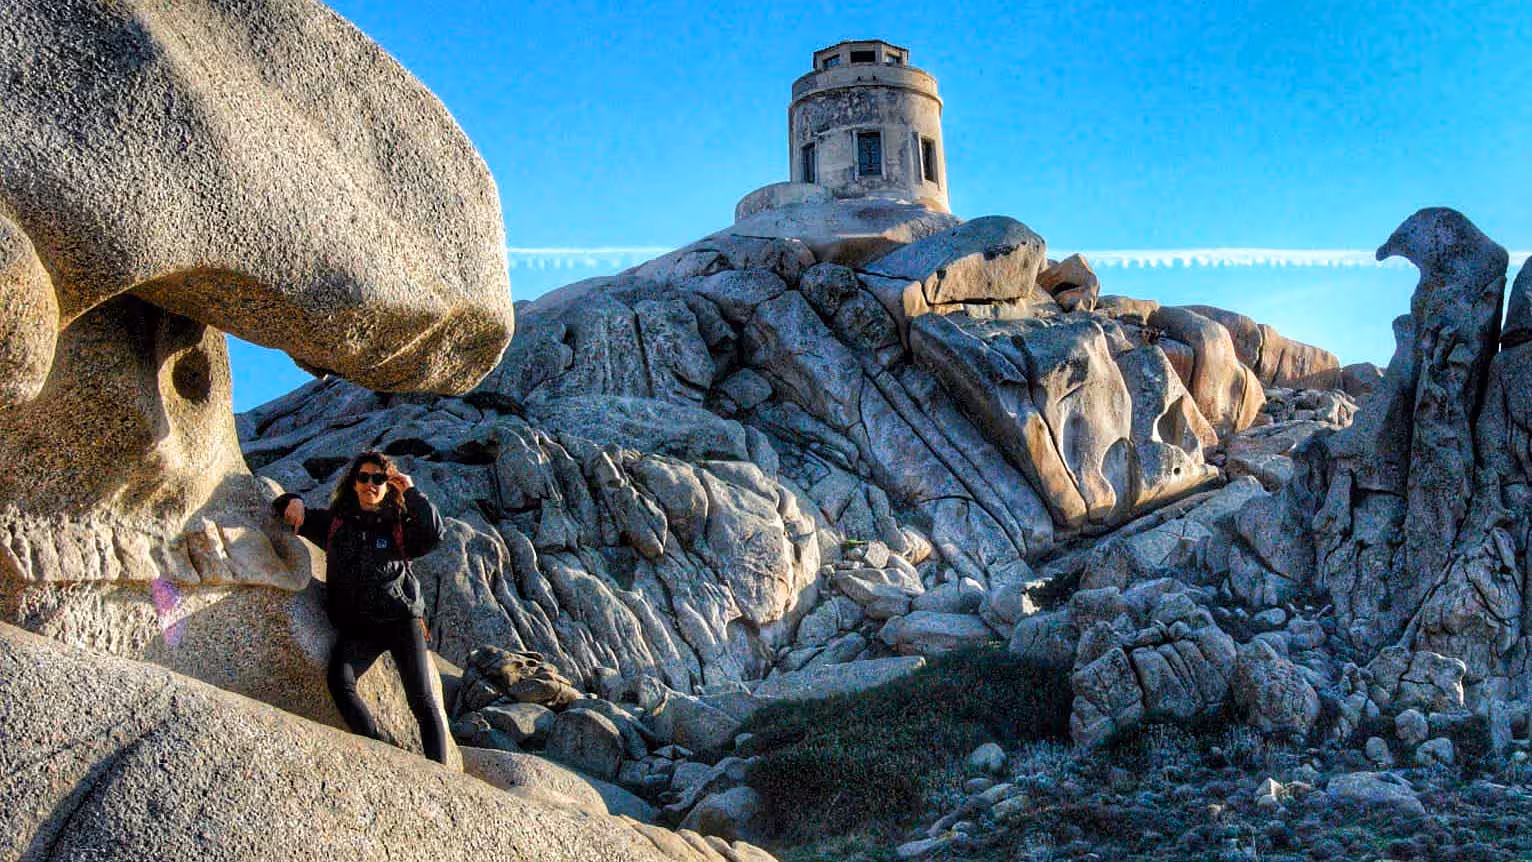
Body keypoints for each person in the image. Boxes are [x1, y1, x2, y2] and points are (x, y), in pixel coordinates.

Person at [269, 450, 448, 764]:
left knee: (422, 700)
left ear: (386, 485)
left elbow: (434, 535)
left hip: (399, 620)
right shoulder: (336, 523)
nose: (370, 484)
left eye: (378, 479)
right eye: (363, 477)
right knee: (340, 683)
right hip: (359, 626)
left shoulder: (398, 526)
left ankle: (441, 774)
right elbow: (287, 510)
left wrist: (410, 489)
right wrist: (292, 499)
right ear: (353, 483)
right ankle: (379, 753)